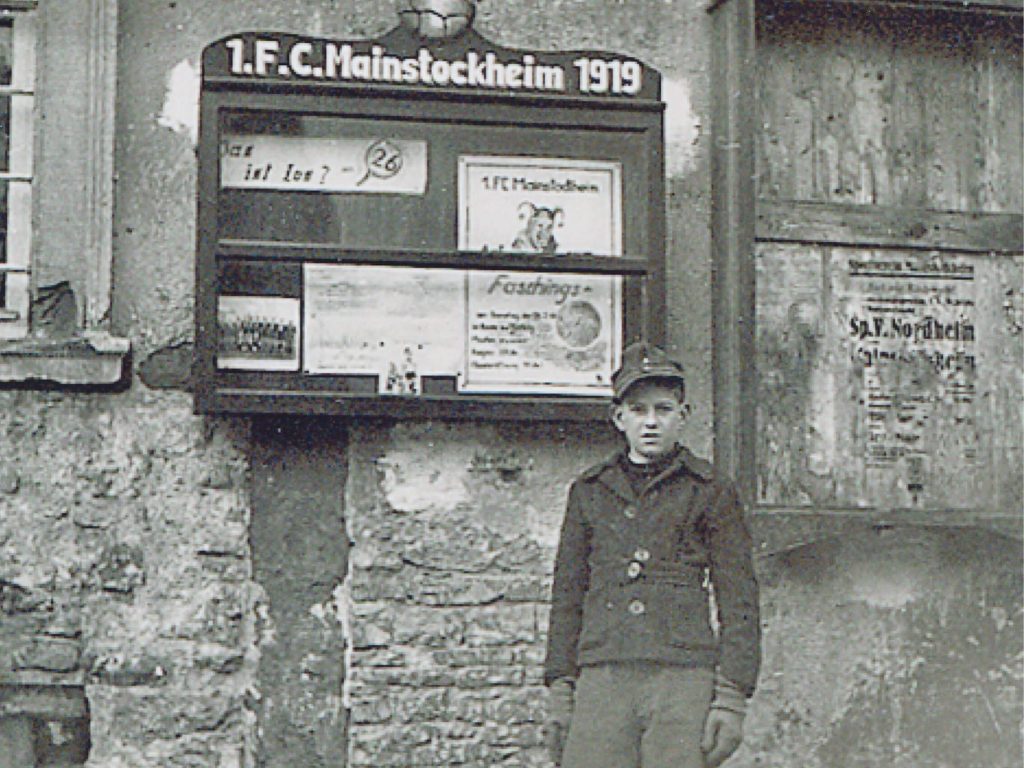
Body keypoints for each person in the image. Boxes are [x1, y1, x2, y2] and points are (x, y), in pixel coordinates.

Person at [542, 342, 761, 768]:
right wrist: (560, 690)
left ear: (684, 415)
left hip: (682, 679)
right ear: (618, 418)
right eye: (638, 410)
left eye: (663, 409)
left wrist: (731, 698)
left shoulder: (711, 490)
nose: (651, 422)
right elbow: (567, 596)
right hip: (603, 675)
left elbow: (739, 600)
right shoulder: (589, 491)